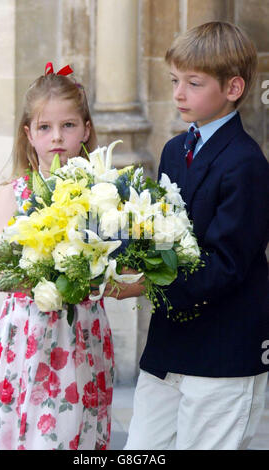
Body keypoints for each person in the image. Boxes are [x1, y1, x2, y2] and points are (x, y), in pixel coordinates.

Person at [104, 22, 269, 450]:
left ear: (233, 87)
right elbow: (159, 236)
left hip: (223, 351)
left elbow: (227, 265)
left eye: (193, 83)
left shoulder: (246, 163)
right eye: (174, 81)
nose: (178, 94)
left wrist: (146, 284)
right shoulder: (175, 151)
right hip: (168, 347)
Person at [0, 63, 114, 450]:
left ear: (85, 130)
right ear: (28, 134)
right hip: (26, 334)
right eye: (45, 128)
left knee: (74, 433)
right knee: (24, 431)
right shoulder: (13, 193)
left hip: (81, 332)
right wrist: (55, 267)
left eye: (68, 126)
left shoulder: (102, 194)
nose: (57, 138)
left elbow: (117, 263)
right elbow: (3, 277)